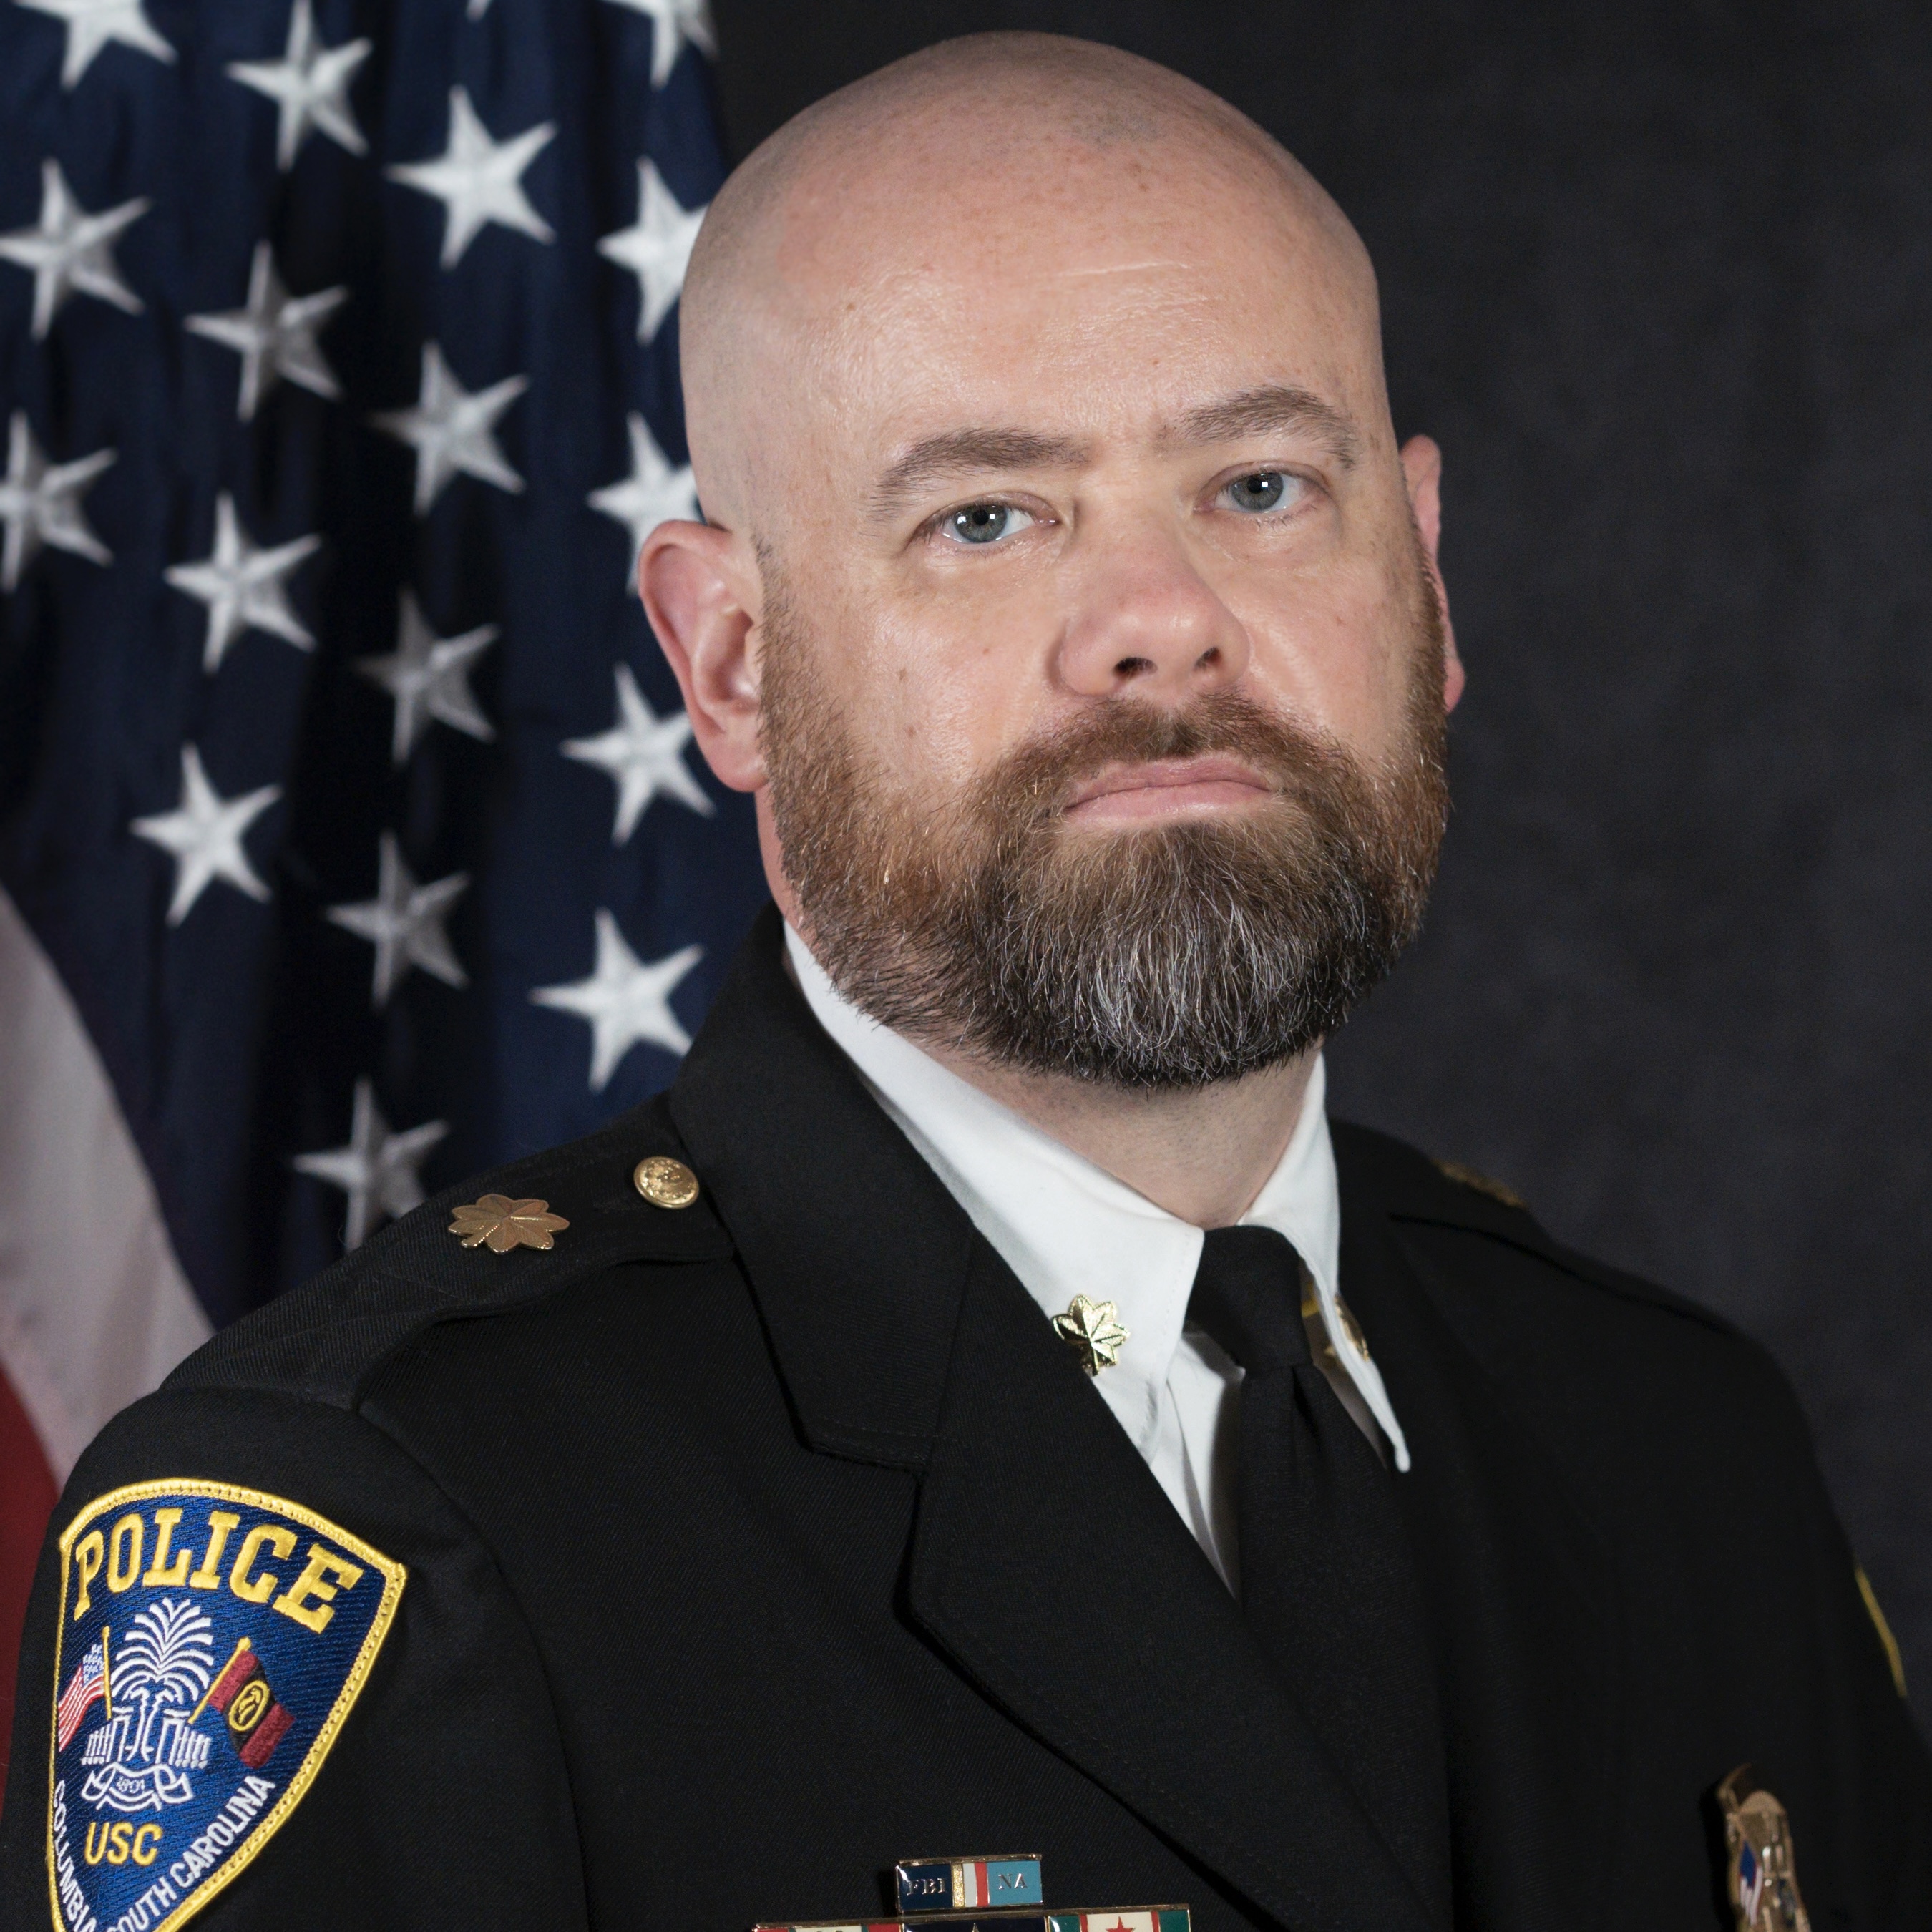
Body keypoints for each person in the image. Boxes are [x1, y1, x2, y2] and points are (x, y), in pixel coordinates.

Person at [4, 32, 1926, 1932]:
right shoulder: (402, 1516)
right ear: (732, 659)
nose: (1159, 622)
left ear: (1422, 577)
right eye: (985, 516)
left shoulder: (1680, 1446)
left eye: (1258, 484)